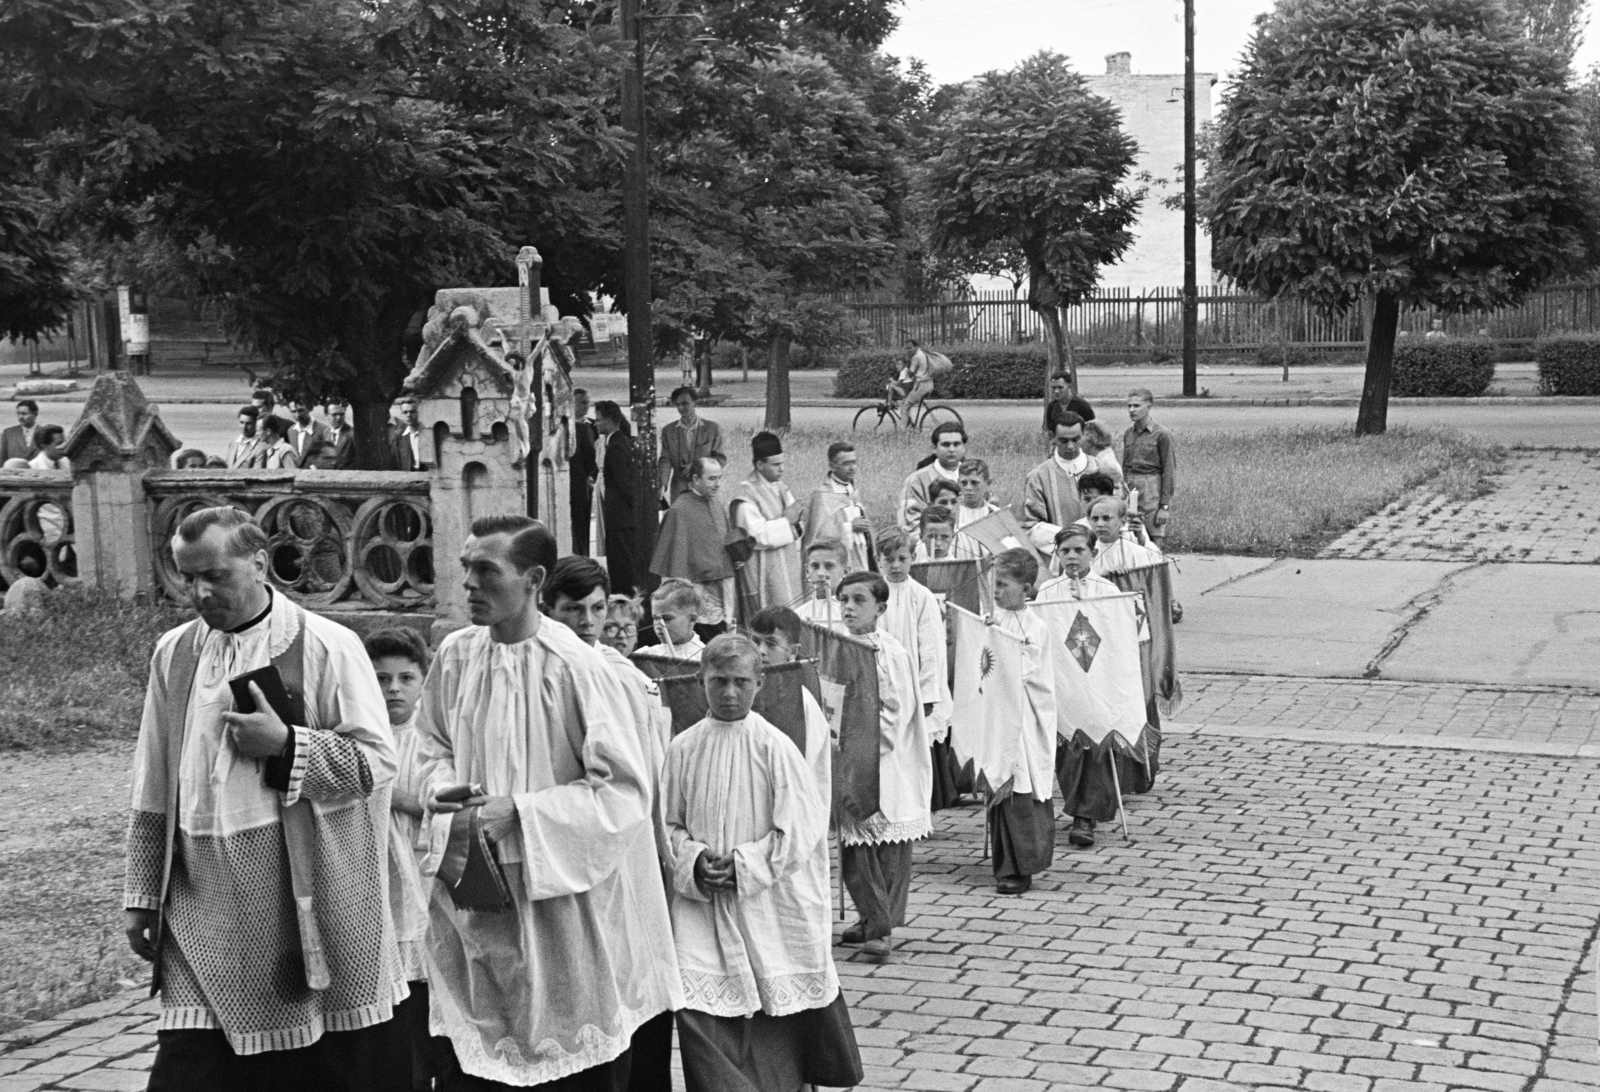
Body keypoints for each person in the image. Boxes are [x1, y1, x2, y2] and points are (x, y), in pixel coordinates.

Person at [121, 506, 408, 1089]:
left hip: (307, 900)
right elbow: (153, 779)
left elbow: (377, 763)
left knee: (323, 1067)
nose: (200, 592)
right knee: (190, 1072)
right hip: (201, 903)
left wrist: (287, 745)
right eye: (187, 576)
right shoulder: (174, 653)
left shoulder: (327, 645)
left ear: (258, 564)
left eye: (216, 576)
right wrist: (142, 892)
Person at [413, 515, 680, 1090]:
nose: (469, 585)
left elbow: (625, 792)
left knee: (569, 1060)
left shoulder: (580, 669)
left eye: (486, 570)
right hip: (475, 902)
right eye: (466, 569)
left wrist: (522, 812)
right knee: (478, 1059)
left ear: (534, 579)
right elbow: (426, 743)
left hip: (565, 912)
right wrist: (440, 787)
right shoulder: (456, 657)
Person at [661, 634, 863, 1092]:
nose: (729, 693)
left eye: (740, 682)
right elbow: (667, 824)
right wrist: (692, 861)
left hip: (767, 904)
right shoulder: (682, 748)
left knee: (773, 1017)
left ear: (760, 682)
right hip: (701, 909)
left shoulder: (775, 747)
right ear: (700, 681)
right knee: (699, 1015)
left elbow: (801, 830)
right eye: (718, 682)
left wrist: (746, 864)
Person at [833, 571, 931, 960]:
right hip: (847, 757)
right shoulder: (840, 646)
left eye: (859, 600)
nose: (849, 608)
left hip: (884, 761)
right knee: (855, 848)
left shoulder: (888, 652)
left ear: (881, 608)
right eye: (843, 600)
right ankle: (868, 915)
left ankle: (882, 923)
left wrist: (867, 746)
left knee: (886, 847)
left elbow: (896, 708)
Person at [365, 626, 440, 1091]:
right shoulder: (361, 735)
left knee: (425, 1013)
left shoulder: (429, 739)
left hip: (422, 887)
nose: (393, 689)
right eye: (381, 678)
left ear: (421, 681)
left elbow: (433, 806)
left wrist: (384, 789)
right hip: (376, 888)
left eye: (405, 678)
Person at [543, 557, 670, 798]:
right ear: (549, 612)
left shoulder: (624, 677)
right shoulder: (537, 669)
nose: (587, 622)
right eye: (573, 608)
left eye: (597, 608)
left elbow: (642, 767)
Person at [985, 549, 1059, 894]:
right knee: (1001, 781)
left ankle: (1024, 865)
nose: (996, 591)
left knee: (1022, 787)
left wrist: (1001, 641)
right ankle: (1004, 863)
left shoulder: (1037, 627)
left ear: (1026, 589)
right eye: (994, 584)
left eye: (1003, 585)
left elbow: (1023, 670)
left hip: (1027, 718)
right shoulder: (991, 618)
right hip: (999, 714)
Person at [875, 531, 954, 809]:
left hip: (914, 683)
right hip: (882, 682)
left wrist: (929, 692)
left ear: (913, 559)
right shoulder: (873, 594)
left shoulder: (922, 597)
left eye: (902, 559)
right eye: (889, 559)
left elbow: (932, 648)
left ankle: (920, 804)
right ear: (878, 560)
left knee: (914, 742)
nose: (895, 566)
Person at [749, 606, 833, 806]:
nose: (760, 651)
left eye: (771, 644)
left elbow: (810, 763)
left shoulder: (801, 701)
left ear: (793, 651)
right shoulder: (745, 691)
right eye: (755, 642)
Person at [650, 456, 736, 636]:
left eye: (720, 478)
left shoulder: (716, 503)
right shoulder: (679, 511)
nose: (718, 484)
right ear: (695, 479)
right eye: (712, 478)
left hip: (719, 591)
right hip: (695, 595)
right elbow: (675, 563)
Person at [727, 432, 804, 613]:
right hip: (764, 573)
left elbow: (798, 523)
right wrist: (787, 522)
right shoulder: (746, 495)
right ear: (759, 465)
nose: (782, 468)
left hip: (787, 566)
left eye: (782, 463)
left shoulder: (781, 487)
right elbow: (755, 536)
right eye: (776, 464)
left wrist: (795, 522)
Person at [1021, 414, 1120, 552]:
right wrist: (1071, 538)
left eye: (1076, 439)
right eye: (1063, 440)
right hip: (1059, 558)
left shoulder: (1101, 468)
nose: (1070, 446)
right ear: (1052, 437)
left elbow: (1119, 513)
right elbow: (1031, 527)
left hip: (1102, 555)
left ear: (1084, 434)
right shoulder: (1038, 477)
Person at [593, 400, 642, 596]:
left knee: (620, 562)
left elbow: (623, 483)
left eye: (599, 420)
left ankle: (624, 595)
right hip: (621, 514)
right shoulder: (618, 442)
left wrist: (632, 506)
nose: (596, 424)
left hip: (620, 515)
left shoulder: (615, 446)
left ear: (610, 420)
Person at [1119, 389, 1177, 550]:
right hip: (1131, 487)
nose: (1132, 410)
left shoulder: (1161, 434)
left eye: (1137, 405)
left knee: (1153, 540)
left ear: (1149, 406)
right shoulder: (1128, 433)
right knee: (1130, 537)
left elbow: (1169, 470)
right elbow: (1125, 465)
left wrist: (1164, 506)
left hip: (1152, 488)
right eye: (1129, 406)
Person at [803, 441, 872, 573]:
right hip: (836, 561)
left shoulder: (852, 489)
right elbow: (819, 536)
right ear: (832, 466)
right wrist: (850, 527)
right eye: (846, 463)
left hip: (861, 553)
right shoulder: (822, 496)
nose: (852, 468)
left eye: (854, 462)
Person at [657, 386, 724, 505]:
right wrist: (663, 484)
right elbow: (665, 460)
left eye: (685, 403)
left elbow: (720, 459)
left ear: (695, 402)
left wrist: (697, 467)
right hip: (679, 489)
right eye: (677, 405)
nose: (681, 408)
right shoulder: (668, 431)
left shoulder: (712, 429)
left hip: (704, 488)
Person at [898, 423, 967, 535]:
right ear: (934, 449)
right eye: (946, 445)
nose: (951, 449)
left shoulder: (974, 478)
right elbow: (909, 526)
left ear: (964, 448)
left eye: (956, 444)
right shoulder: (917, 481)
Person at [1036, 525, 1122, 601]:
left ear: (1093, 554)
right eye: (1065, 550)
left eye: (1079, 550)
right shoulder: (1047, 590)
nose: (1071, 556)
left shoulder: (1108, 590)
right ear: (1058, 554)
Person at [794, 542, 847, 630]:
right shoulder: (799, 615)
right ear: (807, 572)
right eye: (815, 566)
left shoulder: (853, 612)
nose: (821, 573)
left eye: (829, 566)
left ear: (845, 572)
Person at [651, 578, 707, 660]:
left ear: (692, 619)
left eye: (666, 618)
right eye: (655, 618)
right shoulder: (647, 655)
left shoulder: (704, 658)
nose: (658, 625)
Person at [570, 388, 597, 555]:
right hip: (574, 481)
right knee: (576, 523)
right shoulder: (568, 426)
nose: (586, 406)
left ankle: (583, 554)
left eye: (588, 403)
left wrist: (592, 476)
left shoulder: (592, 425)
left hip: (586, 483)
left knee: (584, 522)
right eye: (582, 403)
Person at [890, 340, 934, 424]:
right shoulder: (922, 354)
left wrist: (905, 371)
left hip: (921, 386)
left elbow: (911, 373)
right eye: (906, 348)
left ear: (916, 347)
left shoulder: (916, 357)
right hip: (927, 384)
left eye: (910, 348)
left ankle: (904, 433)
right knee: (907, 403)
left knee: (904, 408)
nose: (908, 350)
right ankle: (910, 427)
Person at [288, 400, 332, 465]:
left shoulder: (323, 430)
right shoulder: (291, 430)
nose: (297, 415)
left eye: (301, 410)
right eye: (293, 411)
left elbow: (328, 458)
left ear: (309, 408)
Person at [389, 399, 428, 471]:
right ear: (401, 414)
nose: (409, 415)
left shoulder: (428, 433)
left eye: (412, 412)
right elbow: (396, 462)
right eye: (405, 412)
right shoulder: (398, 436)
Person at [324, 400, 356, 470]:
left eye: (341, 414)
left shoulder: (352, 434)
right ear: (326, 415)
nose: (338, 417)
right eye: (334, 414)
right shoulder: (326, 433)